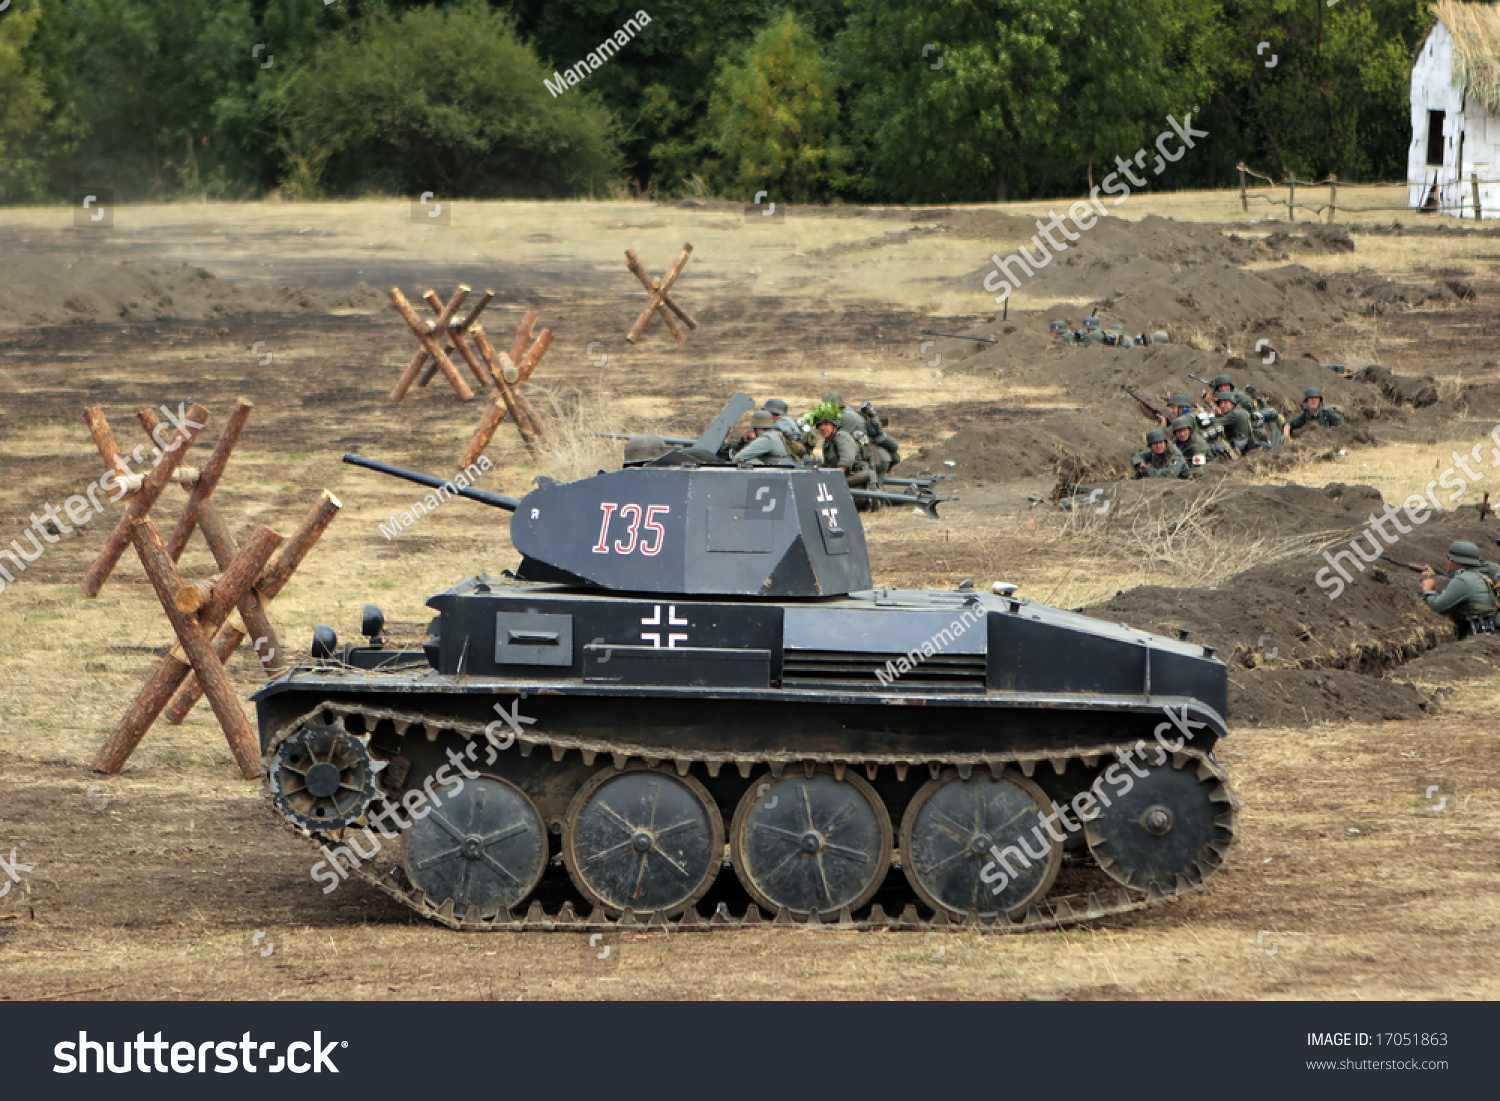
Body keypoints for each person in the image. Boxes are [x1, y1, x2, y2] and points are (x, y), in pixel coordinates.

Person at [1421, 541, 1498, 638]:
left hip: (1475, 635)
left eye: (1448, 558)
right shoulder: (1479, 576)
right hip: (1488, 633)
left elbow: (1436, 606)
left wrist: (1428, 590)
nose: (1446, 561)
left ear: (1456, 561)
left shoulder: (1463, 580)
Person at [810, 402, 873, 487]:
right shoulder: (827, 442)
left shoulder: (841, 436)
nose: (822, 428)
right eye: (820, 425)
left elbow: (846, 461)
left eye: (826, 424)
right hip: (843, 477)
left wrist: (833, 479)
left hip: (857, 478)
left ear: (834, 426)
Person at [859, 401, 901, 475]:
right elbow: (874, 433)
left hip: (881, 438)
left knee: (895, 453)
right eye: (868, 409)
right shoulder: (866, 421)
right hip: (876, 440)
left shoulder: (872, 419)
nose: (870, 410)